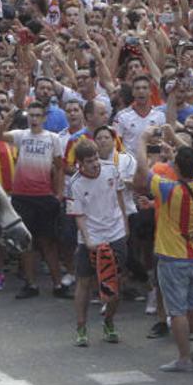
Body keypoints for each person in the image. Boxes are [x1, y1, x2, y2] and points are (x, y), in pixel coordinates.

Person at [134, 127, 193, 372]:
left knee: (176, 311)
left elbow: (144, 170)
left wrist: (143, 140)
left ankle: (184, 358)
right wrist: (175, 143)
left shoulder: (168, 188)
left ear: (176, 167)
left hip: (172, 256)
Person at [0, 102, 69, 299]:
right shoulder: (21, 135)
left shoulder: (53, 138)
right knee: (26, 243)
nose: (34, 119)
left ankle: (58, 284)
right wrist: (7, 119)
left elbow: (60, 167)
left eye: (38, 115)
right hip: (22, 196)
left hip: (44, 196)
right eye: (31, 115)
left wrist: (59, 193)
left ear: (44, 118)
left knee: (49, 243)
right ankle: (31, 284)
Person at [66, 139, 128, 346]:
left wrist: (125, 225)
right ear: (80, 163)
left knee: (117, 281)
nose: (95, 164)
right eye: (90, 161)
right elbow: (78, 215)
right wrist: (88, 239)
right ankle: (81, 327)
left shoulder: (111, 170)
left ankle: (109, 322)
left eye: (96, 158)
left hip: (115, 233)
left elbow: (120, 197)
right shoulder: (75, 183)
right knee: (83, 282)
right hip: (90, 238)